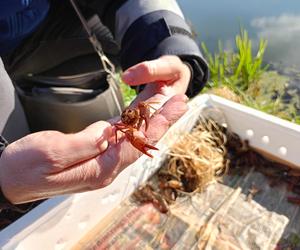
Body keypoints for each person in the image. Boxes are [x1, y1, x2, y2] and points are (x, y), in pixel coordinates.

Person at [0, 0, 208, 207]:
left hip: (38, 21)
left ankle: (56, 113)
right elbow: (120, 129)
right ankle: (19, 199)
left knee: (111, 42)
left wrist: (169, 47)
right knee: (12, 141)